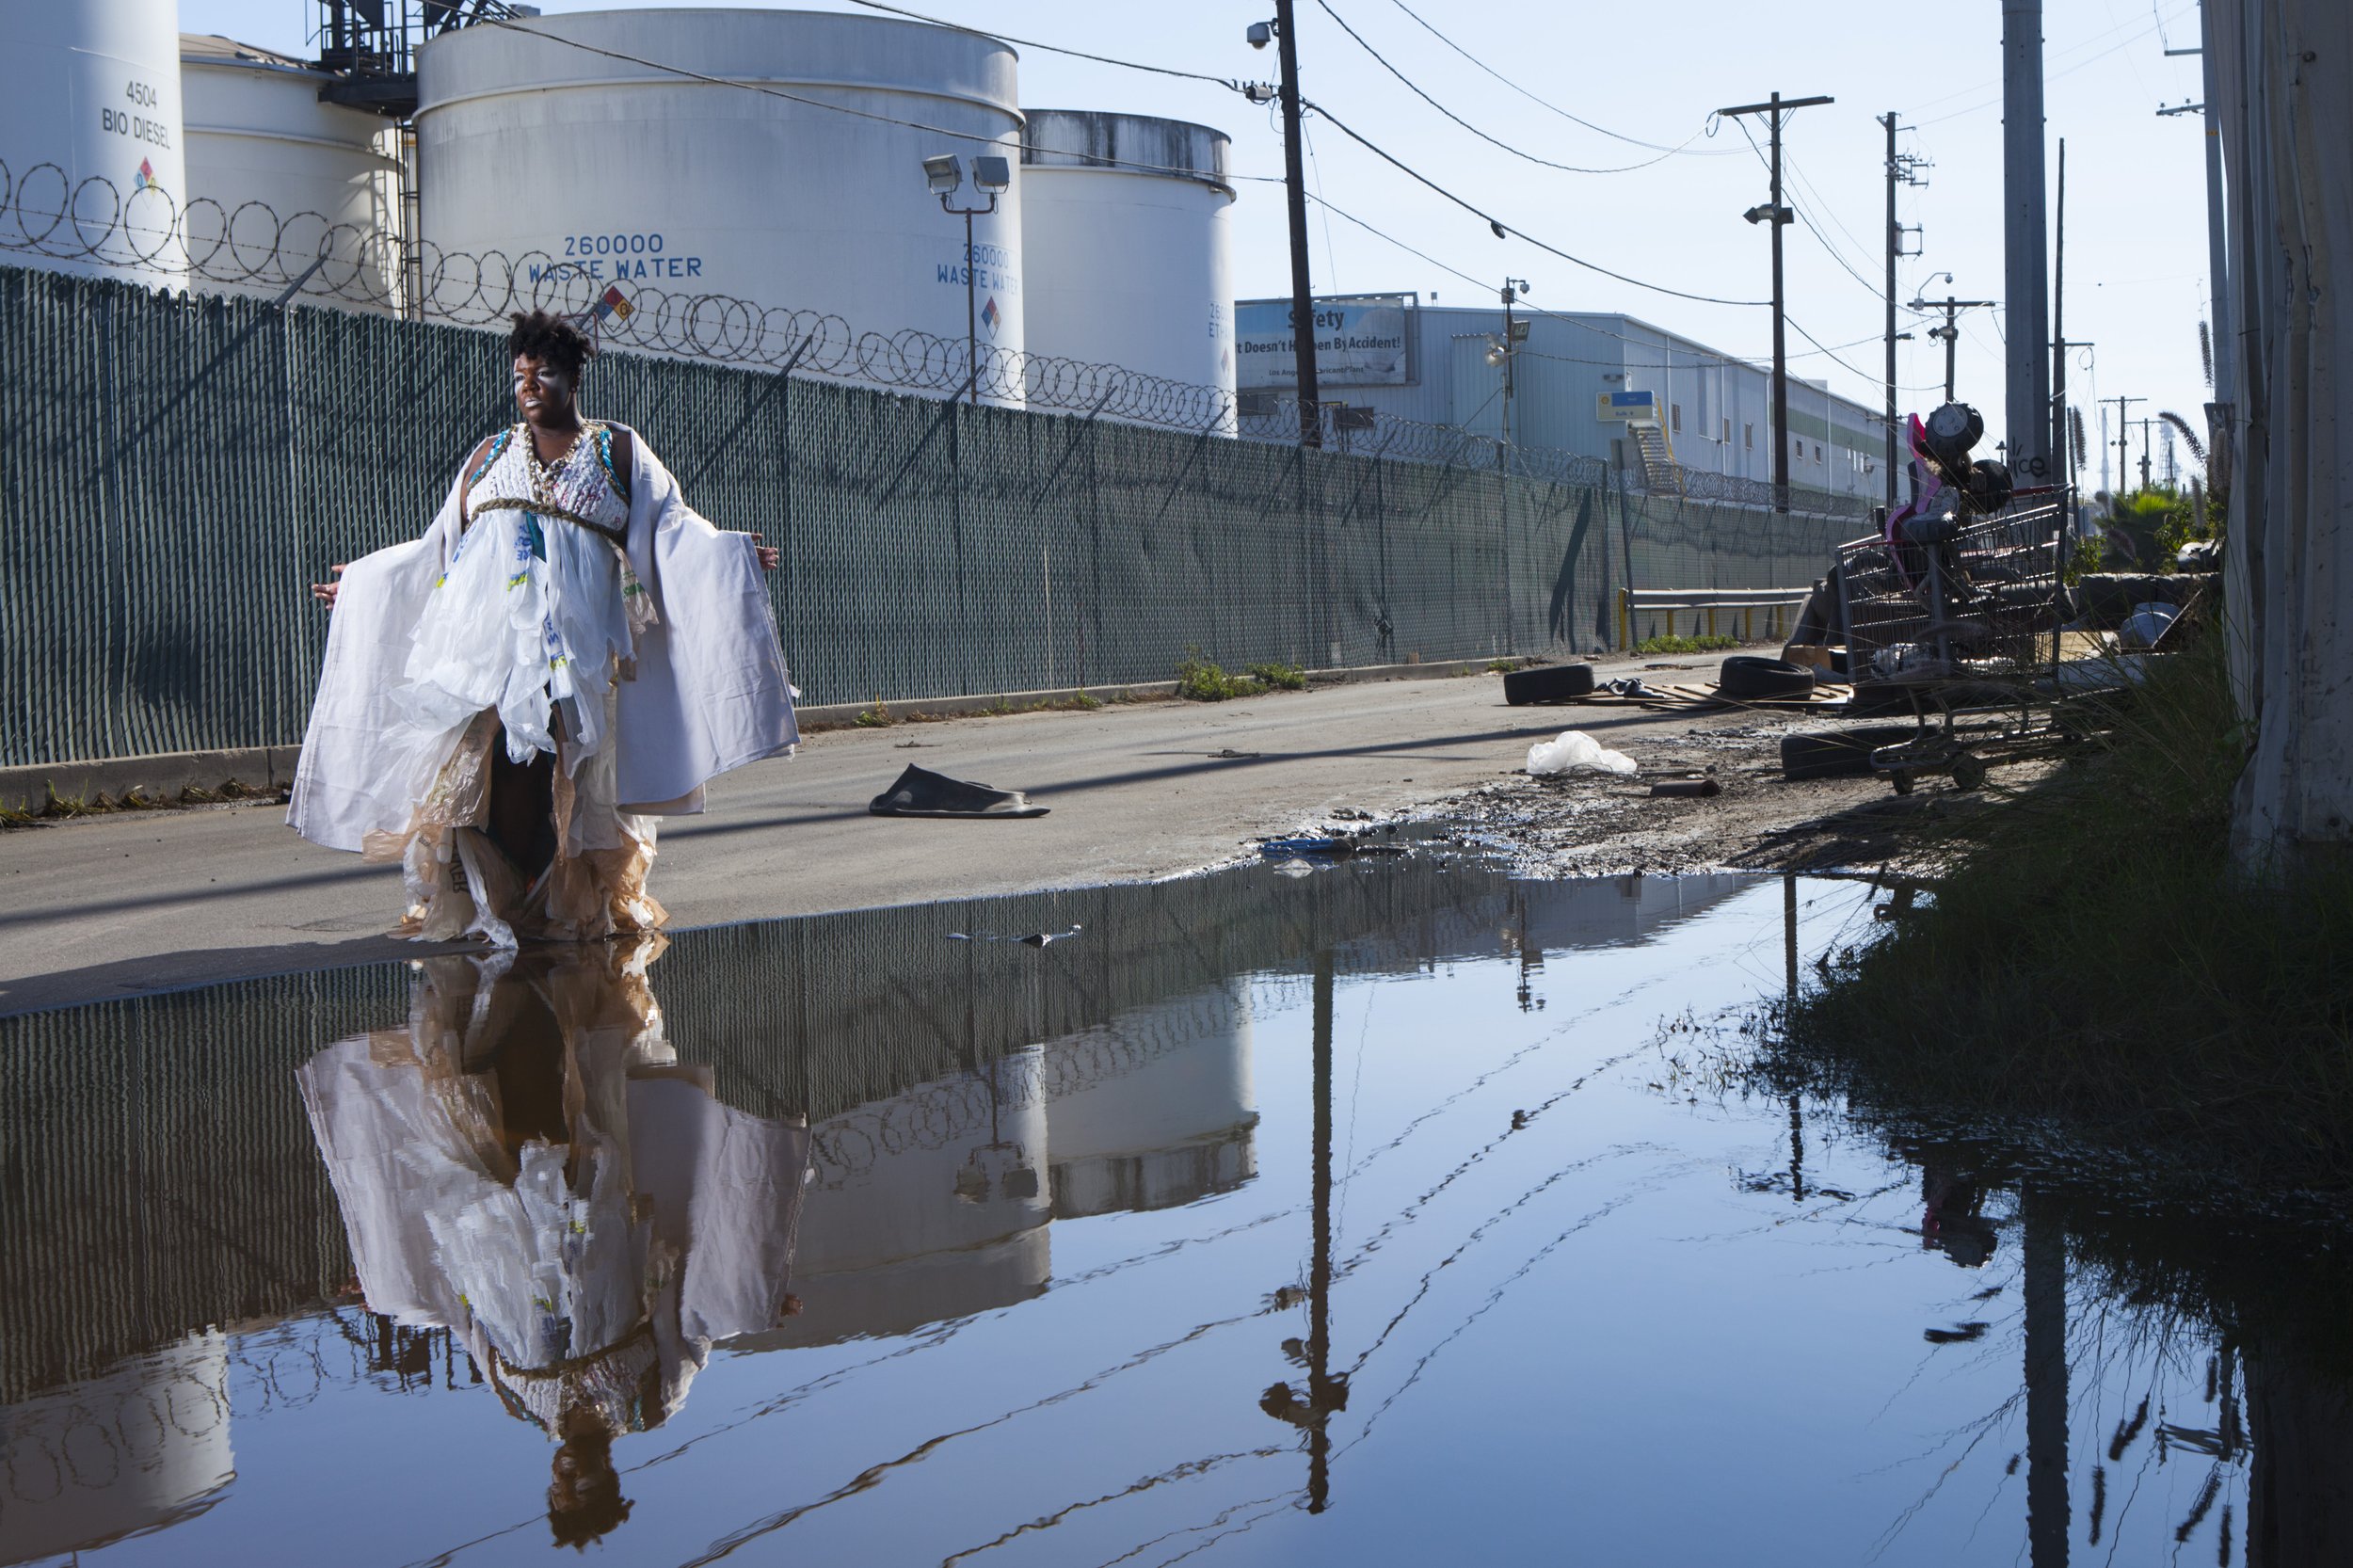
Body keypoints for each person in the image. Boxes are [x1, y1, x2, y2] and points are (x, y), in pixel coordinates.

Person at [290, 311, 796, 944]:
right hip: (487, 660)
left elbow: (674, 527)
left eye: (543, 374)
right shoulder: (490, 455)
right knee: (497, 767)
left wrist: (730, 551)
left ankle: (548, 906)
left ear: (573, 378)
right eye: (520, 375)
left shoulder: (615, 451)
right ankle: (500, 904)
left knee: (567, 768)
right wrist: (362, 584)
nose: (529, 386)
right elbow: (437, 548)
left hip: (578, 660)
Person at [297, 938, 811, 1550]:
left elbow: (466, 1315)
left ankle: (495, 953)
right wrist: (754, 1299)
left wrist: (389, 1288)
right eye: (586, 1489)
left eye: (560, 1491)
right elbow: (695, 1317)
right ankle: (566, 939)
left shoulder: (519, 1402)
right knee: (571, 1061)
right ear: (609, 1478)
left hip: (506, 1187)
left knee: (492, 1065)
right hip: (594, 1188)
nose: (570, 1479)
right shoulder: (652, 1401)